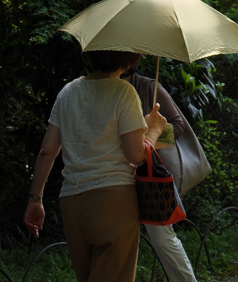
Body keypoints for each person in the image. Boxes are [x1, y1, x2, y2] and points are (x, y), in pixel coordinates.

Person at [23, 50, 168, 282]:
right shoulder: (124, 91)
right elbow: (135, 153)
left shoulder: (67, 92)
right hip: (113, 201)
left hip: (72, 202)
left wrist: (35, 199)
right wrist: (154, 130)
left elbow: (47, 151)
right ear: (130, 58)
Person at [122, 67, 199, 282]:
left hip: (150, 174)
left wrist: (150, 136)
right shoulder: (106, 88)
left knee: (162, 237)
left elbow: (178, 124)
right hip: (118, 172)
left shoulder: (149, 87)